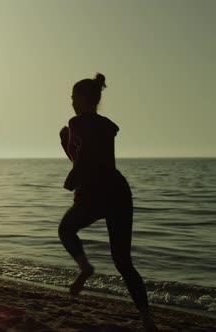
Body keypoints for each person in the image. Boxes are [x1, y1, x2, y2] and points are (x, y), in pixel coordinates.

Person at [59, 73, 158, 331]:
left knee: (66, 230)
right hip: (118, 192)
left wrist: (71, 179)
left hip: (95, 193)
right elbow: (85, 156)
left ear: (83, 98)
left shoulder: (77, 122)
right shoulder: (103, 125)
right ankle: (147, 319)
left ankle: (85, 268)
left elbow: (85, 158)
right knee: (123, 262)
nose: (71, 101)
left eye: (73, 96)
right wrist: (66, 144)